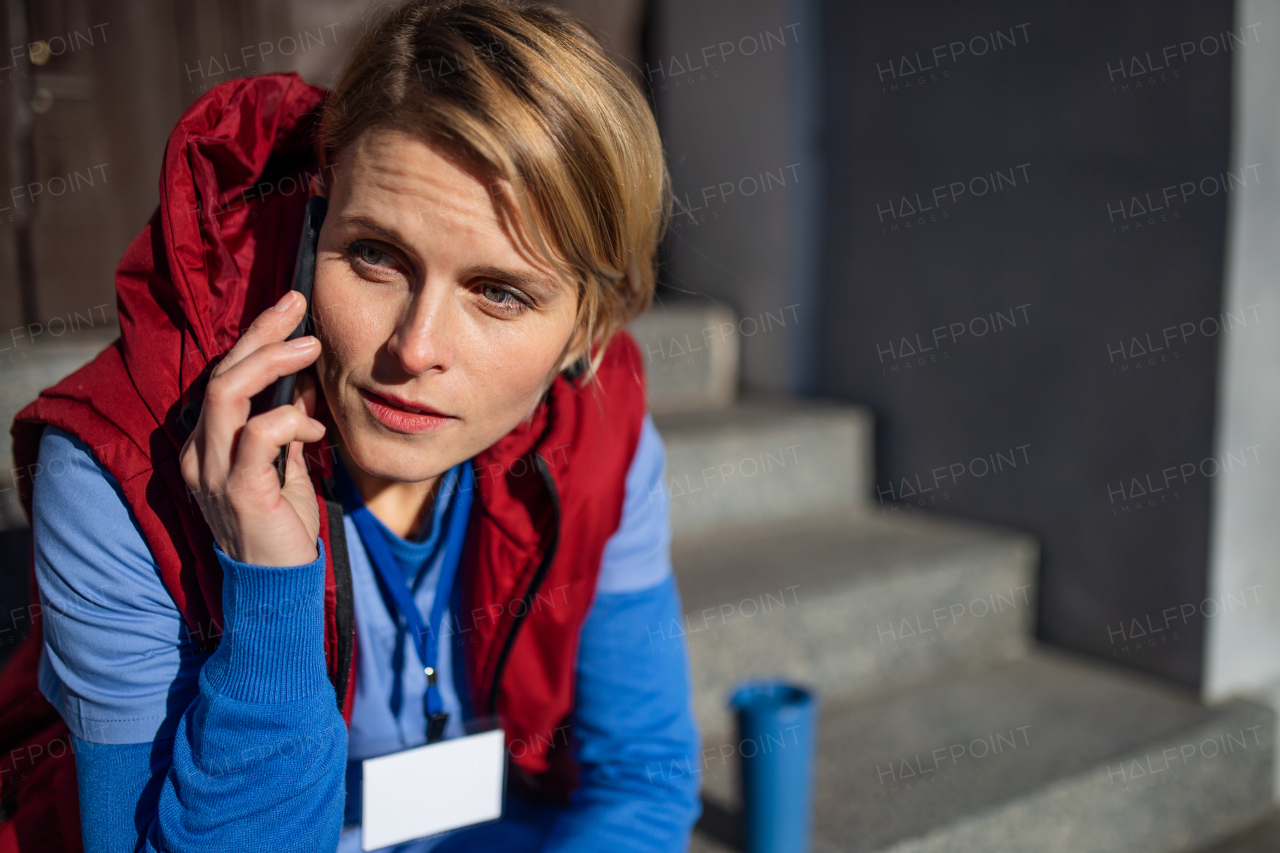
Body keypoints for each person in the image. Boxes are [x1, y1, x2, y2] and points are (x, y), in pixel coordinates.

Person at [0, 2, 702, 851]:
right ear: (320, 206)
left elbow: (641, 777)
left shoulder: (598, 431)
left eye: (500, 292)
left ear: (586, 329)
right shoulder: (120, 465)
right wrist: (272, 603)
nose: (415, 348)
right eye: (376, 254)